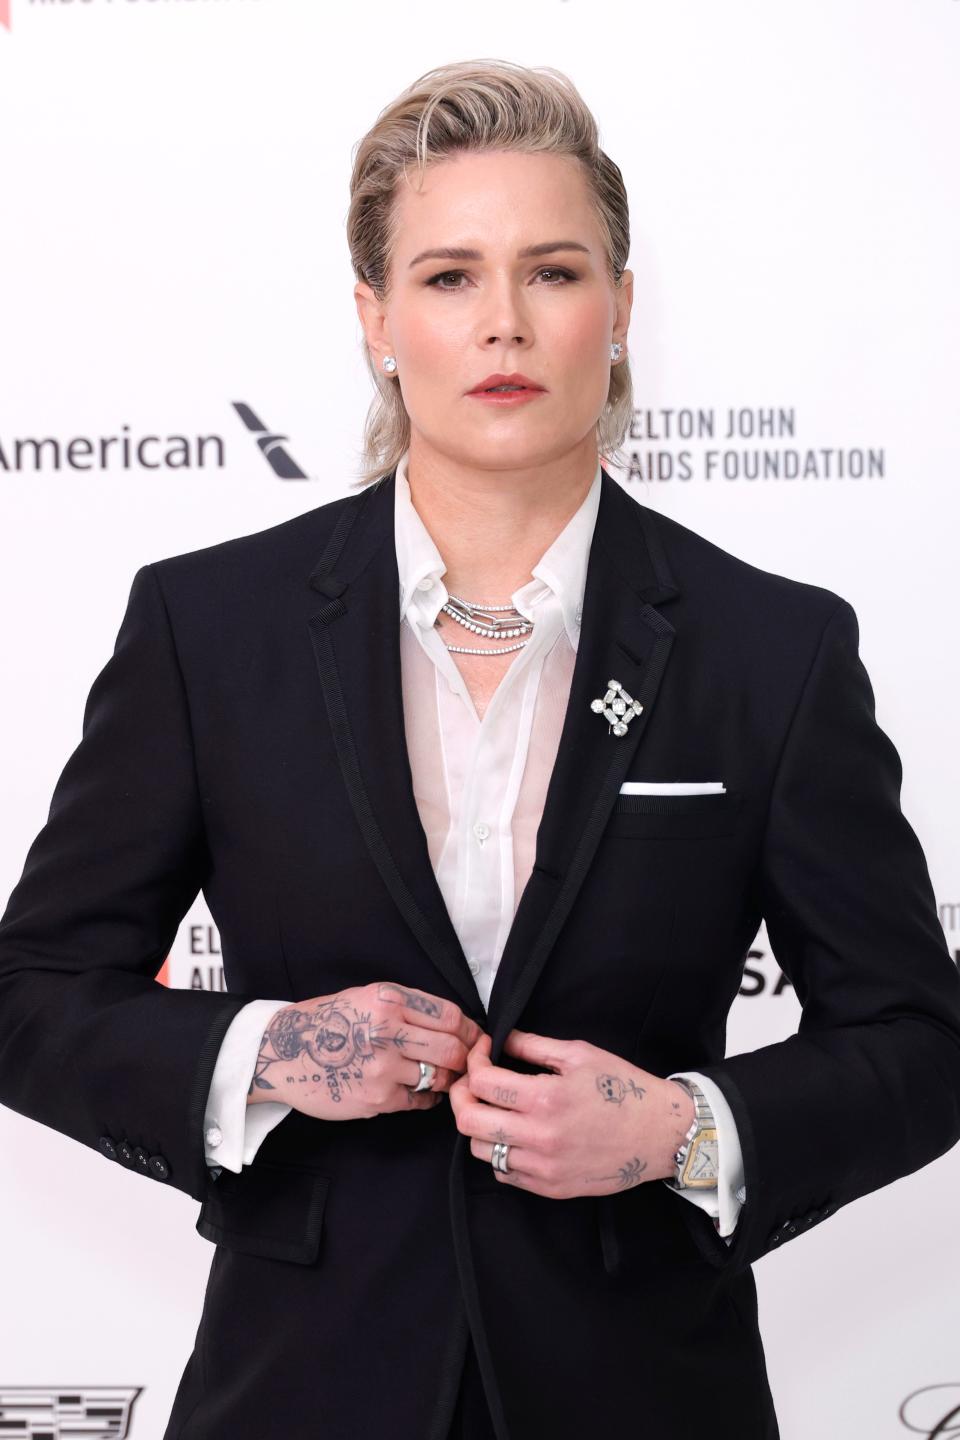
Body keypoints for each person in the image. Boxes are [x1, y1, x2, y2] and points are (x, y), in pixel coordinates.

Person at [0, 58, 958, 1440]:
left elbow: (917, 1041)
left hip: (644, 1393)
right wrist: (270, 1054)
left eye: (555, 272)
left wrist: (689, 1131)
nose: (503, 322)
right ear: (375, 320)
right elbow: (34, 991)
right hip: (300, 1391)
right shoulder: (208, 627)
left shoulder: (775, 650)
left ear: (620, 313)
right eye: (448, 276)